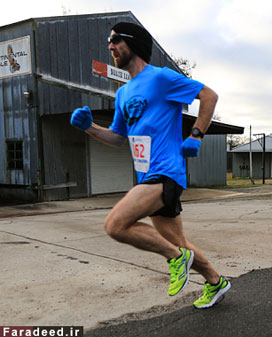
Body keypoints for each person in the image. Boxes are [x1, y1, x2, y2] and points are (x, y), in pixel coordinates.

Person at [69, 22, 230, 309]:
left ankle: (176, 259)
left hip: (166, 172)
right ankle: (216, 282)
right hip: (147, 175)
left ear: (133, 43)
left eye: (116, 40)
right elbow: (118, 137)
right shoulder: (122, 93)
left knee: (115, 225)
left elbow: (209, 96)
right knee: (180, 244)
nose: (110, 46)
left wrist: (196, 135)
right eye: (110, 41)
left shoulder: (161, 78)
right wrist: (89, 127)